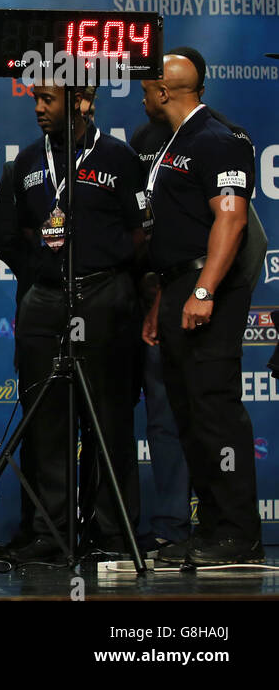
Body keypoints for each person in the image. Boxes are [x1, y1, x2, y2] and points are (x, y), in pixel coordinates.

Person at [0, 82, 143, 565]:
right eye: (35, 99)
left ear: (81, 101)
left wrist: (109, 272)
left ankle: (112, 532)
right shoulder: (26, 162)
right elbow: (14, 233)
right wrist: (43, 274)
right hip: (46, 298)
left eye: (49, 99)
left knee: (107, 420)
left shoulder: (119, 158)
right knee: (47, 422)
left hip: (104, 295)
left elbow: (141, 231)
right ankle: (51, 533)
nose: (38, 108)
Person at [130, 47, 267, 554]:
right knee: (188, 414)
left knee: (215, 412)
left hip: (209, 292)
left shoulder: (218, 139)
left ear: (164, 92)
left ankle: (237, 532)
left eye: (146, 88)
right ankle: (211, 529)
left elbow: (229, 221)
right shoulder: (171, 143)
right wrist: (161, 300)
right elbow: (179, 232)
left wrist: (205, 291)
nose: (141, 95)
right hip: (176, 288)